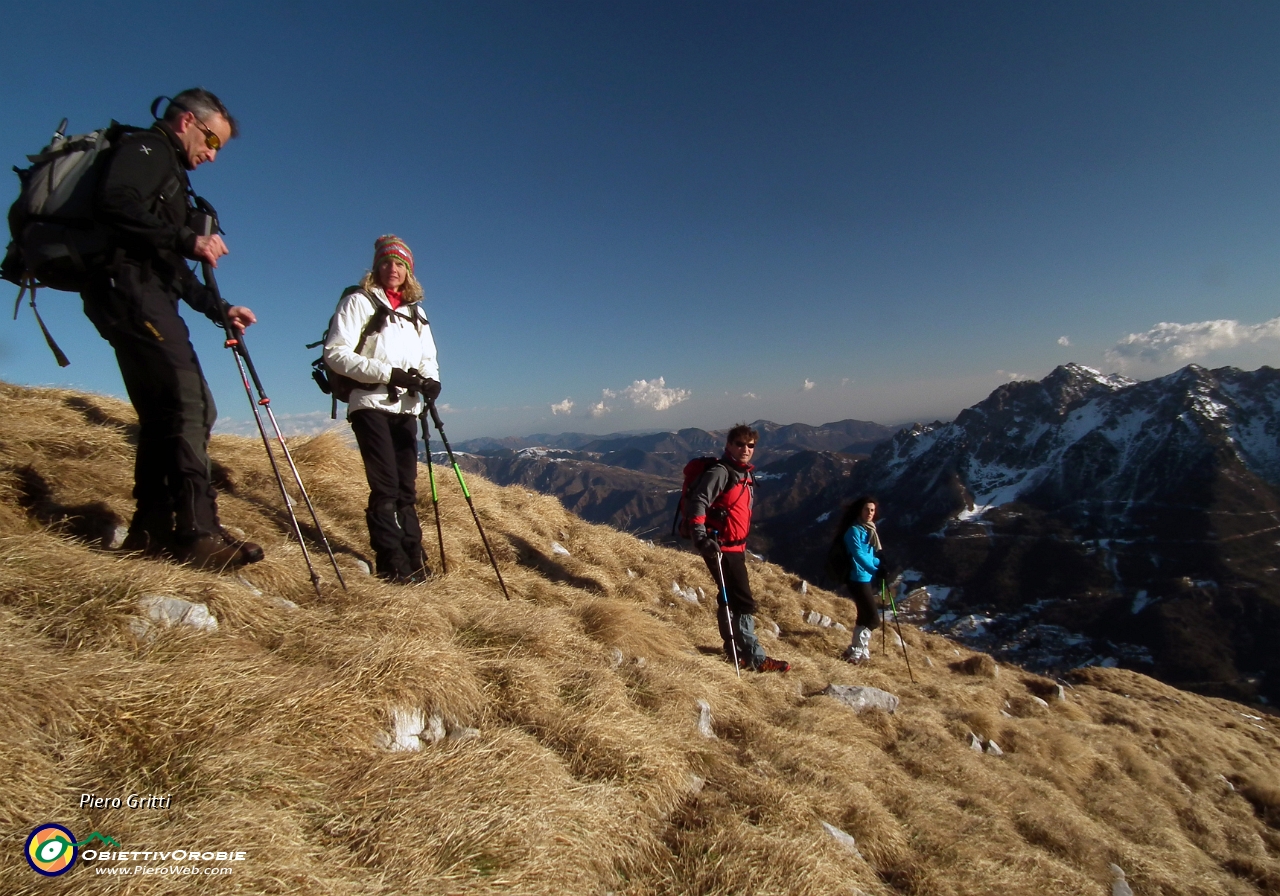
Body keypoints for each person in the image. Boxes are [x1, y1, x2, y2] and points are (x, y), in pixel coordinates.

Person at [82, 88, 263, 569]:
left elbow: (174, 269)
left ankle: (152, 530)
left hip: (138, 293)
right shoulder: (146, 149)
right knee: (188, 403)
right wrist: (187, 236)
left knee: (167, 413)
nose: (211, 155)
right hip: (129, 291)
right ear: (187, 121)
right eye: (212, 142)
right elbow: (113, 201)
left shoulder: (167, 176)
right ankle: (194, 532)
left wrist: (218, 308)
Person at [323, 235, 440, 584]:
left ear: (409, 271)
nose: (393, 269)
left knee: (406, 487)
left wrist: (431, 382)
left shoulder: (416, 313)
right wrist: (389, 373)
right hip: (370, 404)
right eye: (387, 262)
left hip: (406, 408)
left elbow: (428, 358)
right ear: (376, 267)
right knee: (386, 486)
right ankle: (392, 562)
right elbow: (336, 353)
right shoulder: (359, 302)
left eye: (400, 264)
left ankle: (414, 558)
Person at [687, 424, 790, 673]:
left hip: (734, 546)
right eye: (740, 444)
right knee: (742, 601)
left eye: (750, 445)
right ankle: (754, 657)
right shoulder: (723, 472)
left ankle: (736, 651)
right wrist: (701, 537)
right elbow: (699, 501)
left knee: (731, 598)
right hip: (720, 547)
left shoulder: (742, 473)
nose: (745, 449)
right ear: (729, 446)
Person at [839, 495, 883, 663]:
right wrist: (876, 569)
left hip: (865, 577)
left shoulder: (869, 530)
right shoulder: (854, 531)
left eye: (872, 510)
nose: (870, 513)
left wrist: (879, 564)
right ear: (860, 510)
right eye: (867, 509)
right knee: (872, 618)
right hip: (857, 578)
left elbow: (869, 555)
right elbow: (858, 555)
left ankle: (857, 651)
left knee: (864, 616)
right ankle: (857, 651)